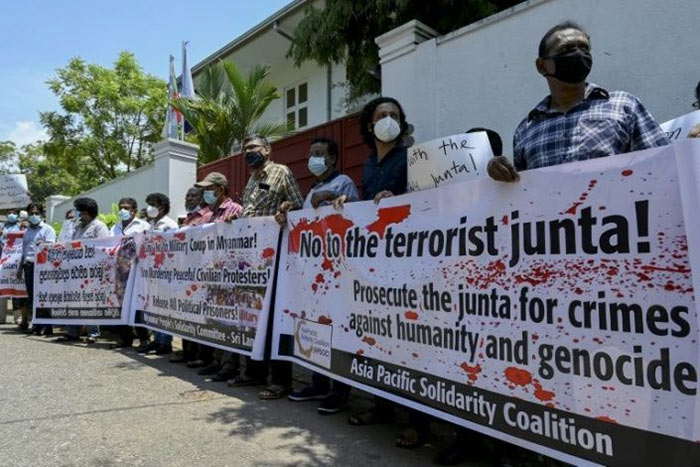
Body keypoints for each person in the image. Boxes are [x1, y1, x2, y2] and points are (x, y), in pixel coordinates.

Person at [345, 96, 431, 450]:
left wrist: (398, 199)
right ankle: (381, 407)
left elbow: (427, 199)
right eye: (382, 115)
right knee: (381, 339)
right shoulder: (367, 163)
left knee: (412, 342)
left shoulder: (414, 158)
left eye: (395, 115)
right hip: (379, 263)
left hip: (410, 261)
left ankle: (417, 422)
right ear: (370, 124)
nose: (389, 120)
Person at [488, 21, 668, 182]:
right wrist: (498, 173)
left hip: (619, 218)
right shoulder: (526, 129)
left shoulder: (625, 106)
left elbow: (664, 164)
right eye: (566, 49)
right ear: (542, 66)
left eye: (584, 48)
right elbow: (521, 194)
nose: (578, 54)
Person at [223, 134, 303, 400]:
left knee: (275, 320)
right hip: (252, 260)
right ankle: (255, 373)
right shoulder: (250, 180)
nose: (248, 153)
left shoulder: (281, 172)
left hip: (276, 258)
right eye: (245, 149)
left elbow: (298, 206)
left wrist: (286, 210)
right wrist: (239, 217)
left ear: (267, 150)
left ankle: (281, 381)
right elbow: (252, 212)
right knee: (254, 317)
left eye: (253, 148)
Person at [284, 137, 359, 414]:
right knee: (315, 326)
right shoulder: (312, 188)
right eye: (311, 153)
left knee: (337, 329)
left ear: (332, 159)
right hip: (313, 272)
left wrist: (332, 199)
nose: (313, 158)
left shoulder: (344, 183)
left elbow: (355, 217)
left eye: (319, 153)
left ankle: (339, 390)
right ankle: (318, 383)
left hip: (336, 271)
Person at [179, 174, 240, 369]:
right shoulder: (212, 213)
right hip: (211, 274)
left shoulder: (235, 209)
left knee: (228, 321)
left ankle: (229, 365)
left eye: (209, 189)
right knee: (214, 321)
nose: (206, 193)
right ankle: (216, 361)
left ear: (221, 189)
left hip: (228, 275)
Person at [57, 198, 110, 343]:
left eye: (79, 211)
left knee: (91, 302)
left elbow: (103, 249)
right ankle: (73, 332)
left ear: (86, 212)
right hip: (76, 272)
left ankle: (94, 333)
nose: (78, 214)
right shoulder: (78, 227)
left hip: (92, 273)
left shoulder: (99, 227)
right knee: (75, 301)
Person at [170, 186, 212, 364]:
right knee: (187, 313)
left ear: (203, 198)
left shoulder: (207, 215)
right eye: (187, 195)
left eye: (194, 195)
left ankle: (202, 356)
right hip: (185, 273)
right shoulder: (188, 218)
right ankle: (188, 352)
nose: (189, 198)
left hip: (201, 272)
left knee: (201, 316)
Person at [139, 192, 178, 355]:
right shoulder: (150, 224)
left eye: (153, 204)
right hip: (151, 272)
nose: (149, 207)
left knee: (165, 307)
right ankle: (157, 339)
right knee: (154, 307)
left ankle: (166, 343)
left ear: (161, 206)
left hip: (166, 271)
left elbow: (175, 246)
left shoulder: (169, 224)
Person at [110, 198, 150, 349]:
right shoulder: (115, 227)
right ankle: (125, 338)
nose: (123, 210)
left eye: (126, 208)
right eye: (121, 207)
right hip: (119, 272)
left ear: (134, 210)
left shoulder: (143, 225)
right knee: (121, 304)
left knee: (138, 303)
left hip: (137, 271)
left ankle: (144, 338)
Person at [17, 204, 56, 336]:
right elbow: (24, 251)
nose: (34, 216)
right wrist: (20, 268)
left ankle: (47, 326)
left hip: (42, 267)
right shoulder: (27, 231)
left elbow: (51, 248)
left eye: (36, 213)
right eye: (31, 213)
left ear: (41, 214)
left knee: (44, 296)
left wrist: (43, 245)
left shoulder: (47, 229)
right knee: (33, 297)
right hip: (28, 266)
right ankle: (37, 325)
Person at [2, 209, 27, 329]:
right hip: (3, 261)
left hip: (15, 262)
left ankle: (19, 318)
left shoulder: (20, 227)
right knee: (2, 288)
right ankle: (1, 317)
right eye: (9, 212)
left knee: (16, 290)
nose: (11, 214)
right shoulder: (2, 227)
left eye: (14, 213)